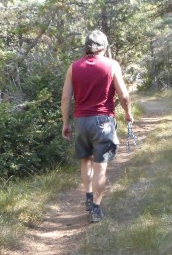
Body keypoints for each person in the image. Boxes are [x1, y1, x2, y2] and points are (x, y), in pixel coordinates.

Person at [61, 30, 133, 223]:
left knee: (85, 160)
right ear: (104, 47)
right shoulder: (111, 65)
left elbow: (66, 97)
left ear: (86, 47)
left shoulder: (73, 67)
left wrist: (65, 123)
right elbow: (124, 96)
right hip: (103, 121)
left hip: (81, 121)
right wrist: (128, 113)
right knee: (100, 167)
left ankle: (88, 196)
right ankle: (96, 208)